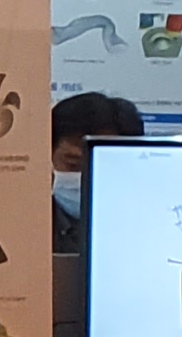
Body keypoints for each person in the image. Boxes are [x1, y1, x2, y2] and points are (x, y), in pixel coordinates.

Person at [50, 88, 145, 250]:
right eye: (73, 164)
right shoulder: (25, 220)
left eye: (103, 167)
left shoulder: (150, 223)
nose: (87, 177)